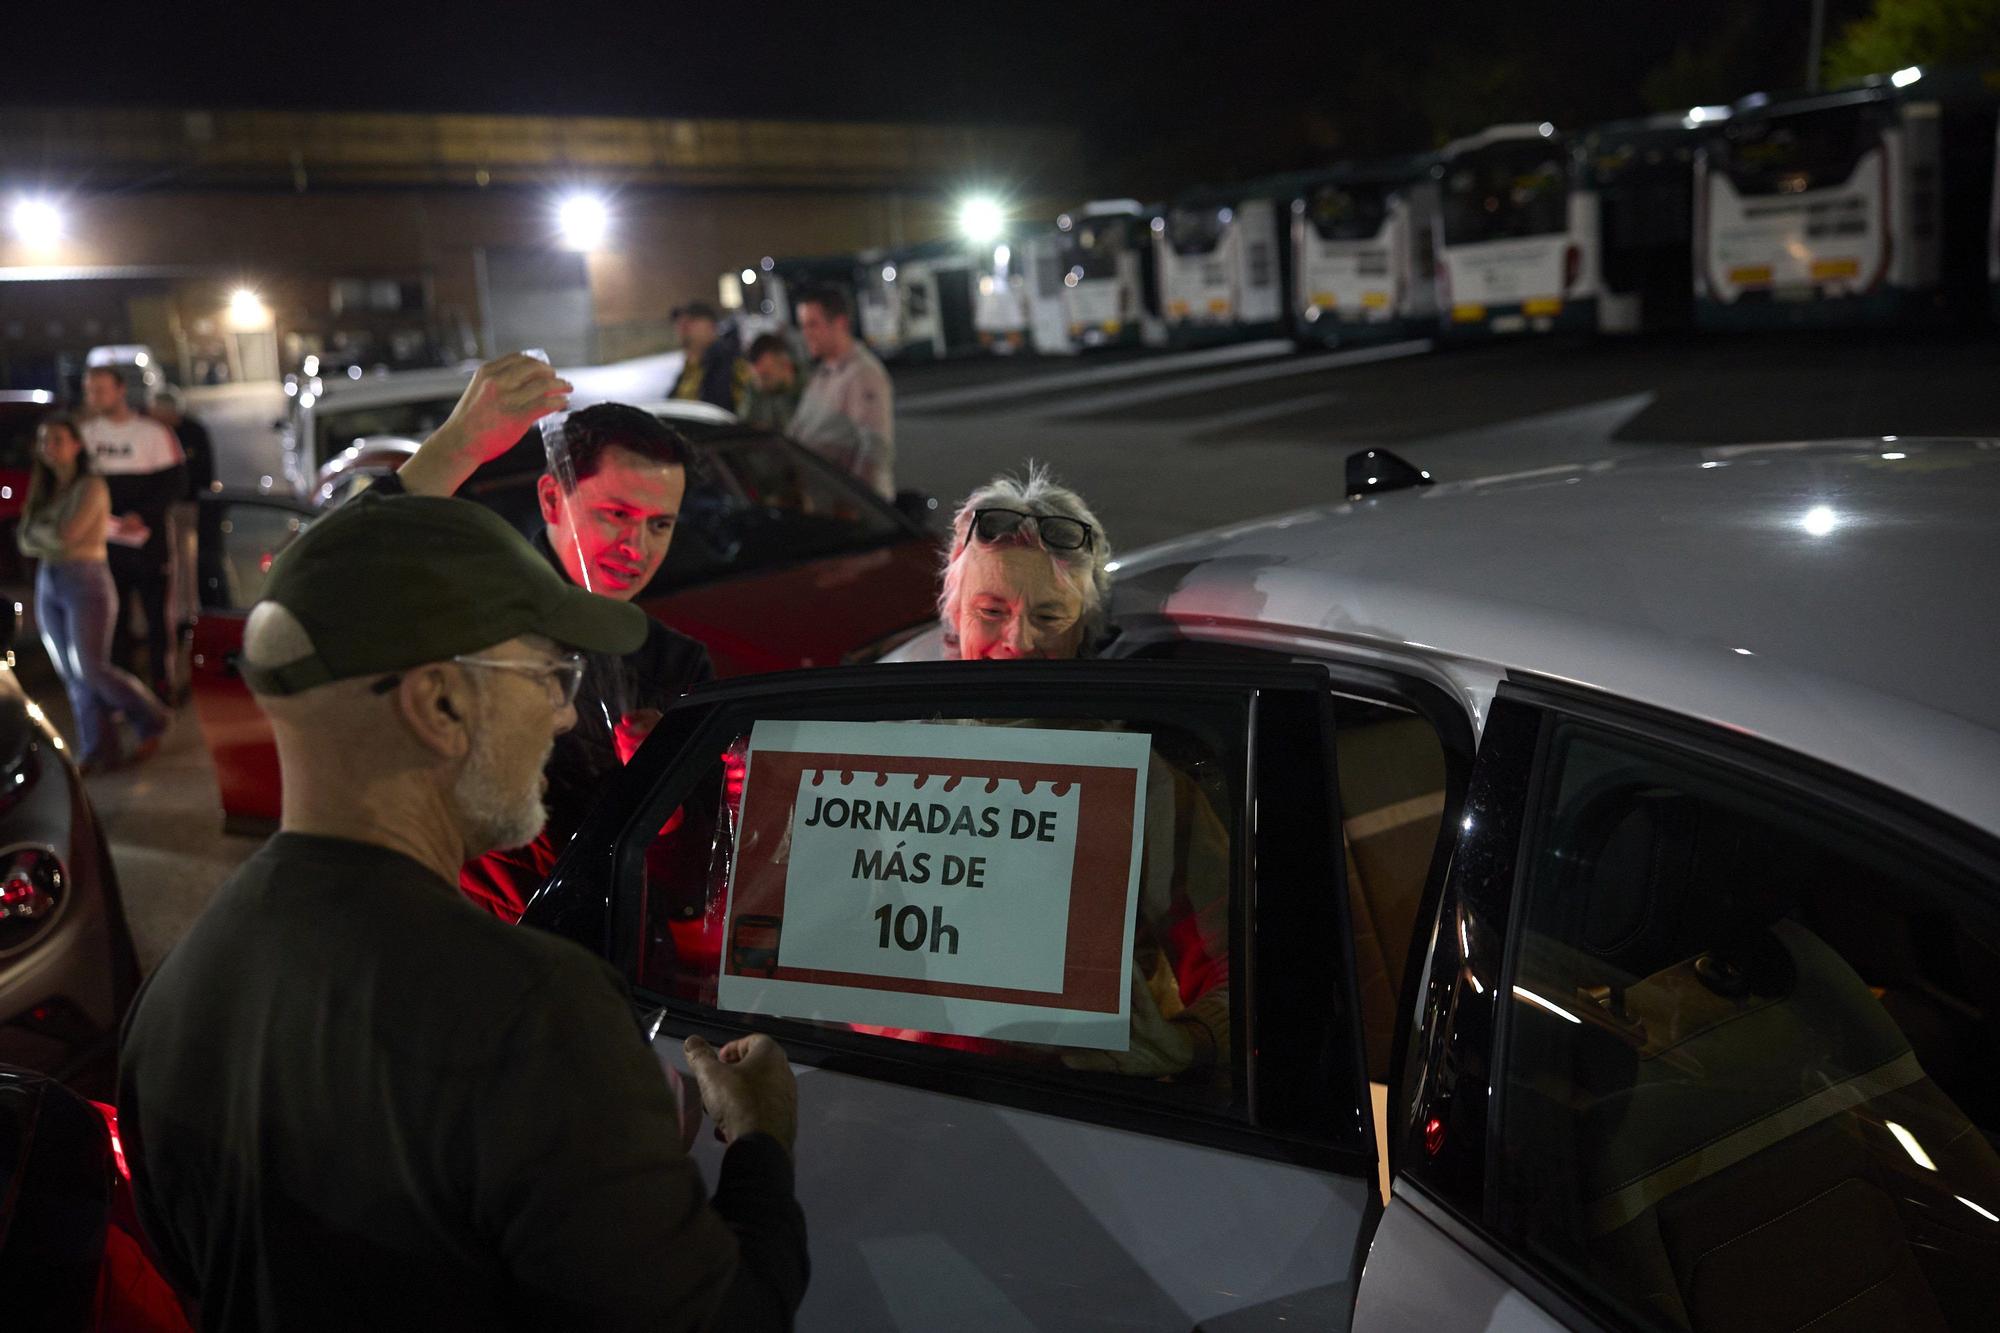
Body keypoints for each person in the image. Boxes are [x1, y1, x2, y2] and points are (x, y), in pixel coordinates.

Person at [117, 492, 808, 1330]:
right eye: (549, 673)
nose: (562, 710)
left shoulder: (172, 998)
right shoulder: (533, 1016)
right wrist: (761, 1144)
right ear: (439, 705)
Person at [387, 356, 713, 920]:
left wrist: (668, 800)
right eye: (616, 513)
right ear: (549, 499)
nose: (637, 547)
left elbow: (699, 882)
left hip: (613, 966)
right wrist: (456, 445)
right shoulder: (474, 619)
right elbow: (346, 571)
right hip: (472, 946)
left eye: (659, 524)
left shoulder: (674, 663)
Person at [937, 465, 1228, 1079]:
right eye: (992, 610)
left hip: (1075, 1116)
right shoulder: (871, 756)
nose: (1018, 641)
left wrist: (1192, 1043)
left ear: (1084, 630)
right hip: (897, 1100)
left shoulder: (1135, 783)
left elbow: (1238, 962)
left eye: (1048, 618)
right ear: (954, 612)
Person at [16, 415, 171, 773]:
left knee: (92, 667)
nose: (49, 447)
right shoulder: (44, 489)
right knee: (71, 673)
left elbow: (66, 537)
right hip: (49, 580)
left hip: (85, 579)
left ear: (76, 445)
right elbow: (24, 539)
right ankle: (98, 749)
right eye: (44, 440)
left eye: (57, 439)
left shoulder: (91, 487)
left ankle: (151, 718)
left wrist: (43, 532)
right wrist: (46, 532)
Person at [81, 365, 186, 700]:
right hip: (104, 544)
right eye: (89, 389)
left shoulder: (153, 434)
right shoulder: (86, 436)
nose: (93, 396)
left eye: (100, 388)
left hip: (149, 543)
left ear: (120, 389)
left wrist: (142, 515)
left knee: (158, 616)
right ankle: (124, 690)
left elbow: (174, 484)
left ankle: (161, 683)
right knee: (115, 618)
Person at [788, 286, 895, 500]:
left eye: (813, 325)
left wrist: (855, 505)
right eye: (803, 326)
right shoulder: (822, 373)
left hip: (850, 511)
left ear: (840, 324)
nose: (806, 334)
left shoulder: (862, 373)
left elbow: (873, 450)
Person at [150, 386, 213, 660]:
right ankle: (166, 616)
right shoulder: (151, 433)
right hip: (158, 508)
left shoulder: (194, 432)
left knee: (186, 560)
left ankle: (188, 614)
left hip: (186, 505)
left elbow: (205, 470)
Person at [670, 300, 749, 414]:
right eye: (679, 321)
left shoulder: (731, 364)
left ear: (711, 327)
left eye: (693, 319)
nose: (683, 324)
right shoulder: (688, 369)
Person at [739, 333, 802, 433]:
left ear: (786, 366)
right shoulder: (756, 387)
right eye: (756, 377)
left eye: (766, 376)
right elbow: (743, 428)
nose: (761, 384)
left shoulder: (810, 389)